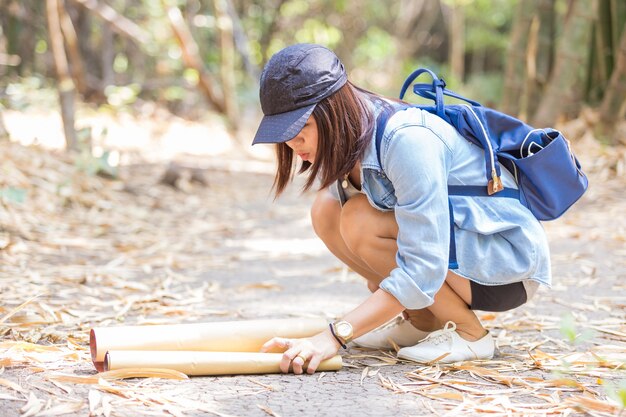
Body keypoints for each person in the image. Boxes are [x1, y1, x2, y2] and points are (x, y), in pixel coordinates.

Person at [255, 44, 551, 375]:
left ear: (332, 111)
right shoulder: (350, 138)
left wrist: (335, 336)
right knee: (326, 209)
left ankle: (470, 334)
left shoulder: (405, 140)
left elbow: (422, 264)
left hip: (504, 266)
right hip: (457, 258)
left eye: (300, 128)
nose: (293, 144)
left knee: (359, 221)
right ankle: (423, 321)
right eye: (284, 134)